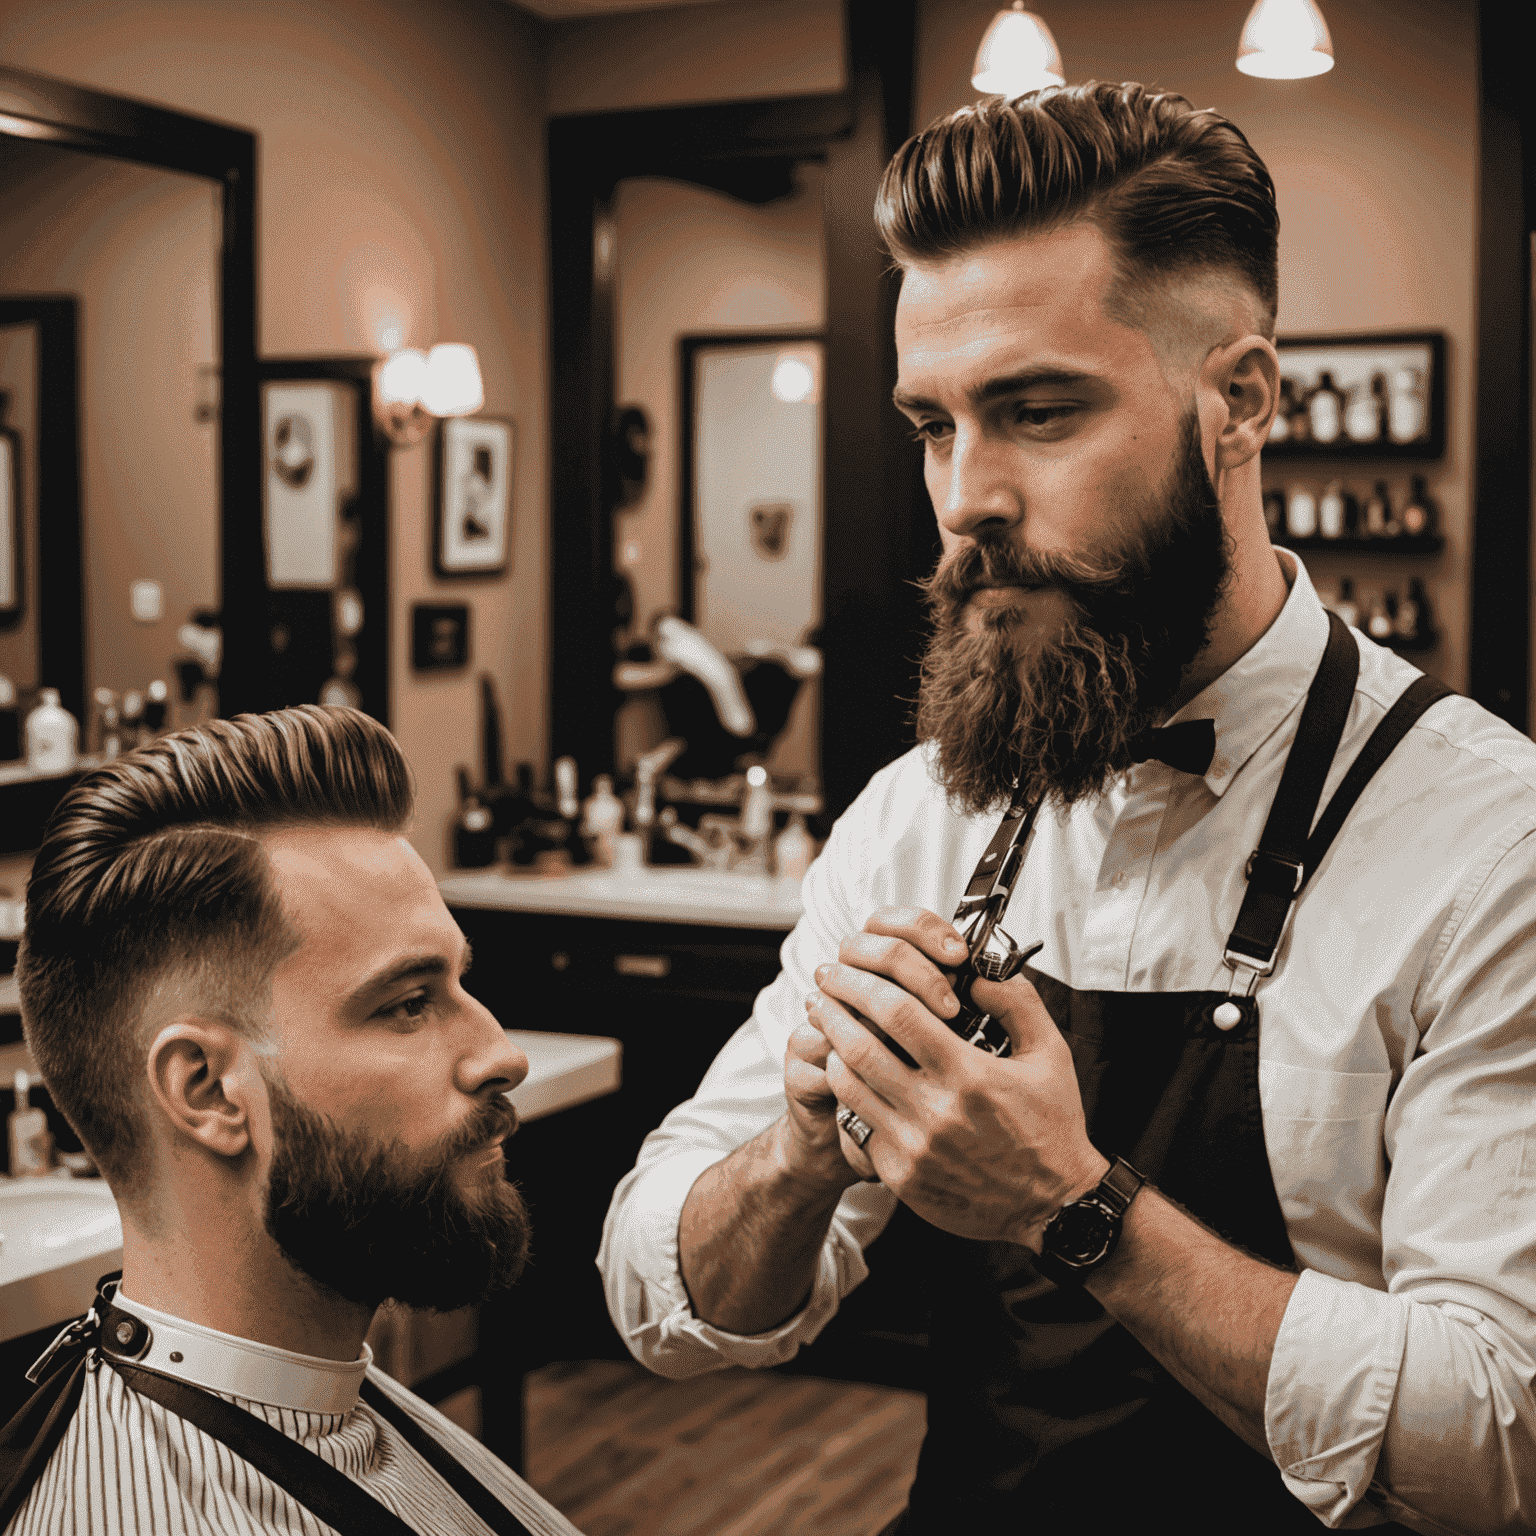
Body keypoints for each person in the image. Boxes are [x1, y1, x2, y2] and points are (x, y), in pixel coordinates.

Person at [598, 82, 1536, 1535]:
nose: (964, 497)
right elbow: (660, 1300)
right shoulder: (922, 819)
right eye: (932, 425)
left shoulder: (1493, 843)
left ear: (1242, 400)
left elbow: (1501, 1437)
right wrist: (791, 1159)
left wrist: (1074, 1206)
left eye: (1038, 413)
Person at [1, 705, 582, 1535]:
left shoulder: (327, 1390)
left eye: (460, 983)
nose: (500, 1053)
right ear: (207, 1091)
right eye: (410, 1004)